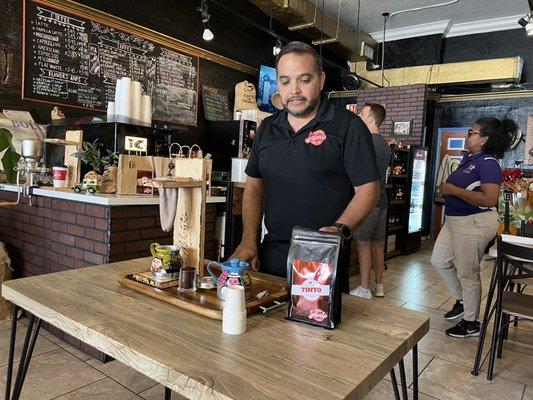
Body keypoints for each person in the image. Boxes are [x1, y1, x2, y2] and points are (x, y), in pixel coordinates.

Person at [230, 41, 380, 278]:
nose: (294, 90)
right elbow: (254, 187)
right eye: (286, 81)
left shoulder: (348, 126)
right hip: (272, 253)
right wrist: (249, 240)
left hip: (323, 258)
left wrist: (338, 229)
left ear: (320, 80)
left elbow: (368, 189)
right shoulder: (268, 128)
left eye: (305, 79)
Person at [431, 117, 515, 338]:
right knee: (439, 260)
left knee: (468, 273)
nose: (468, 135)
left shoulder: (488, 162)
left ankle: (471, 323)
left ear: (484, 139)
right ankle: (462, 300)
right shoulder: (470, 159)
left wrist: (452, 190)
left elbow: (489, 199)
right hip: (454, 221)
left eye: (472, 132)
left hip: (473, 222)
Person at [350, 103, 391, 299]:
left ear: (371, 119)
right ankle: (379, 286)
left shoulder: (366, 142)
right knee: (377, 244)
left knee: (363, 243)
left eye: (363, 113)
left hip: (369, 201)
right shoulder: (384, 145)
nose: (359, 114)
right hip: (382, 200)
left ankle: (364, 288)